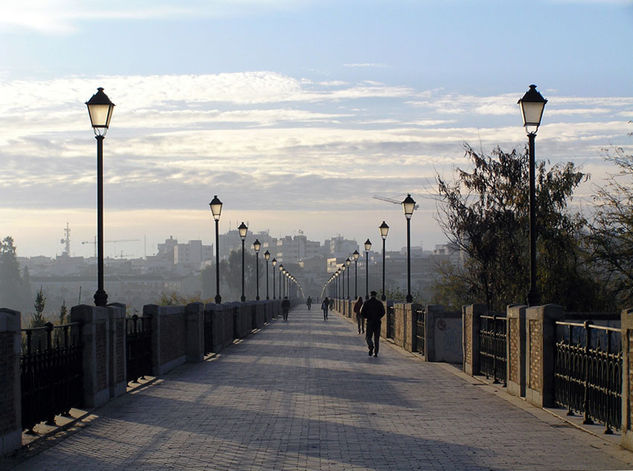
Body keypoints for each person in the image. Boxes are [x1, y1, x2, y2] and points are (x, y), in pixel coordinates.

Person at [360, 291, 385, 357]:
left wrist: (367, 317)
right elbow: (383, 312)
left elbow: (361, 312)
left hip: (370, 322)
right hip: (377, 322)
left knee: (368, 337)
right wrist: (378, 317)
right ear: (376, 295)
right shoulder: (379, 303)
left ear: (370, 295)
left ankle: (371, 346)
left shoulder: (366, 303)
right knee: (376, 338)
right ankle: (376, 353)